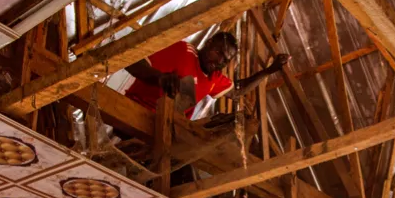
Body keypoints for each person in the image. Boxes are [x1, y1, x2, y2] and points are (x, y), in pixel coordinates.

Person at [123, 31, 289, 116]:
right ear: (209, 43)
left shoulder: (213, 79)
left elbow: (237, 90)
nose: (219, 61)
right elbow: (133, 64)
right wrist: (160, 78)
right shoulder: (183, 51)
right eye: (218, 52)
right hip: (137, 110)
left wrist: (269, 70)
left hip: (164, 128)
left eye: (225, 60)